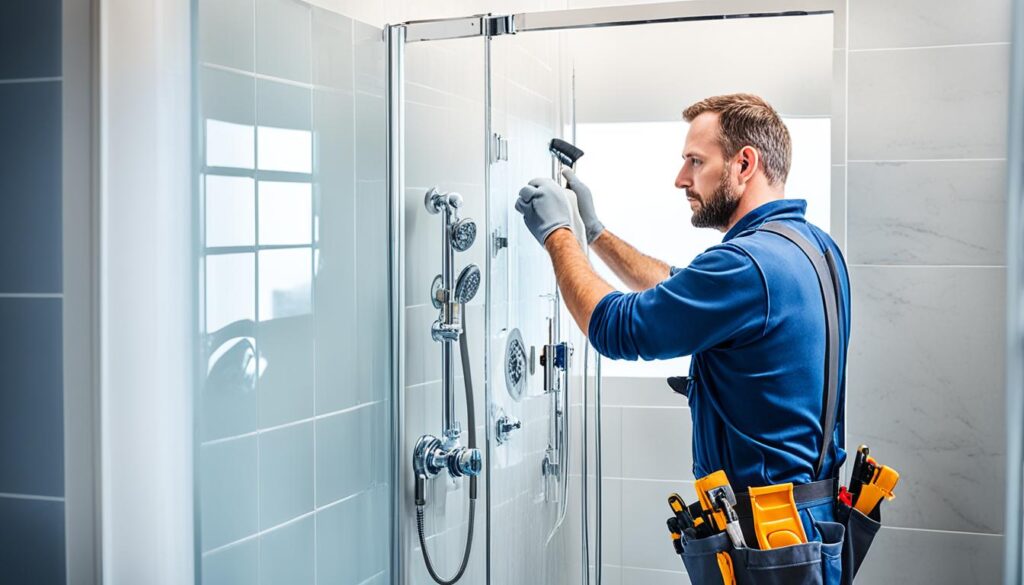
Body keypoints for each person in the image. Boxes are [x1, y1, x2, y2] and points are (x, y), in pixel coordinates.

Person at [515, 93, 851, 538]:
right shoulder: (813, 248)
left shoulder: (745, 266)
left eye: (695, 161)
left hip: (768, 535)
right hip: (809, 517)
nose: (680, 179)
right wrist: (594, 233)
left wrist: (557, 234)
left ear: (744, 164)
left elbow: (616, 329)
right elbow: (678, 288)